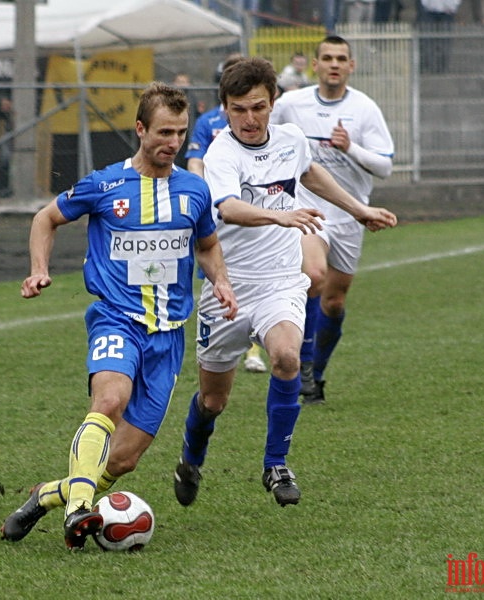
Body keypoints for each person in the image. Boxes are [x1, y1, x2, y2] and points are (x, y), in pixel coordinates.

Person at [0, 82, 237, 551]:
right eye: (164, 132)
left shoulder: (194, 191)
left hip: (168, 336)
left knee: (123, 461)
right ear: (140, 129)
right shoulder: (105, 184)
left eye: (181, 133)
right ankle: (77, 510)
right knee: (109, 400)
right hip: (116, 318)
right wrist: (39, 270)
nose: (173, 142)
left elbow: (207, 246)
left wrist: (222, 281)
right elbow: (45, 218)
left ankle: (47, 495)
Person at [172, 57, 396, 508]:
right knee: (213, 401)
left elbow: (310, 172)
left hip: (279, 280)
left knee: (287, 357)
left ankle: (275, 465)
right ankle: (191, 458)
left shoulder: (291, 139)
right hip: (228, 288)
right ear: (225, 109)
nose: (249, 119)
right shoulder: (221, 153)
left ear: (273, 102)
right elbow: (228, 208)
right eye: (238, 110)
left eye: (257, 107)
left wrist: (359, 209)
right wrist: (280, 214)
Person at [271, 35, 396, 404]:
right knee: (313, 274)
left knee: (335, 301)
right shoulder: (292, 104)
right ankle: (303, 367)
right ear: (315, 65)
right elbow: (262, 130)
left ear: (351, 66)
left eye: (341, 58)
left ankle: (317, 373)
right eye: (327, 58)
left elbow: (385, 166)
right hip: (309, 206)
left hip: (351, 214)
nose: (334, 64)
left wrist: (350, 147)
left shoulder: (365, 109)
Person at [185, 54, 267, 374]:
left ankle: (253, 351)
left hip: (255, 213)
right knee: (220, 278)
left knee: (260, 280)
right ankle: (221, 343)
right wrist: (201, 191)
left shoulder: (267, 124)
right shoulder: (209, 124)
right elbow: (195, 160)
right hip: (220, 211)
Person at [417, 0, 462, 74]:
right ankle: (427, 66)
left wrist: (452, 6)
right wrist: (426, 4)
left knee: (445, 41)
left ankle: (442, 67)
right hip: (429, 10)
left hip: (447, 12)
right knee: (427, 40)